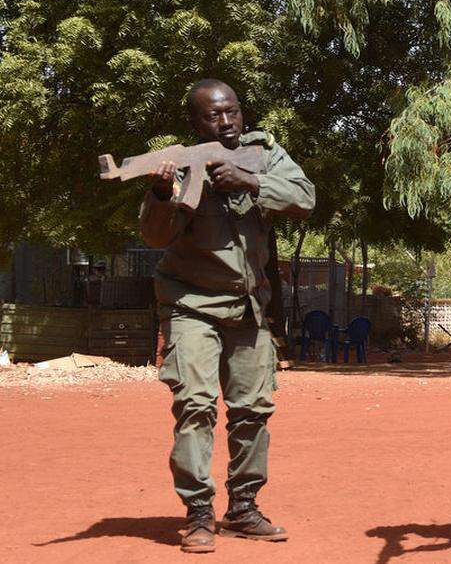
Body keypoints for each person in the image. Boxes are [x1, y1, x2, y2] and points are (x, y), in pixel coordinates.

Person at [140, 79, 315, 553]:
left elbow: (305, 197)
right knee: (195, 405)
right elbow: (155, 237)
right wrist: (162, 195)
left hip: (249, 305)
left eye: (232, 112)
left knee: (252, 411)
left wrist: (251, 181)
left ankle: (243, 508)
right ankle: (199, 513)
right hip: (190, 303)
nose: (226, 122)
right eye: (214, 116)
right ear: (196, 124)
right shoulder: (179, 166)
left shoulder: (265, 153)